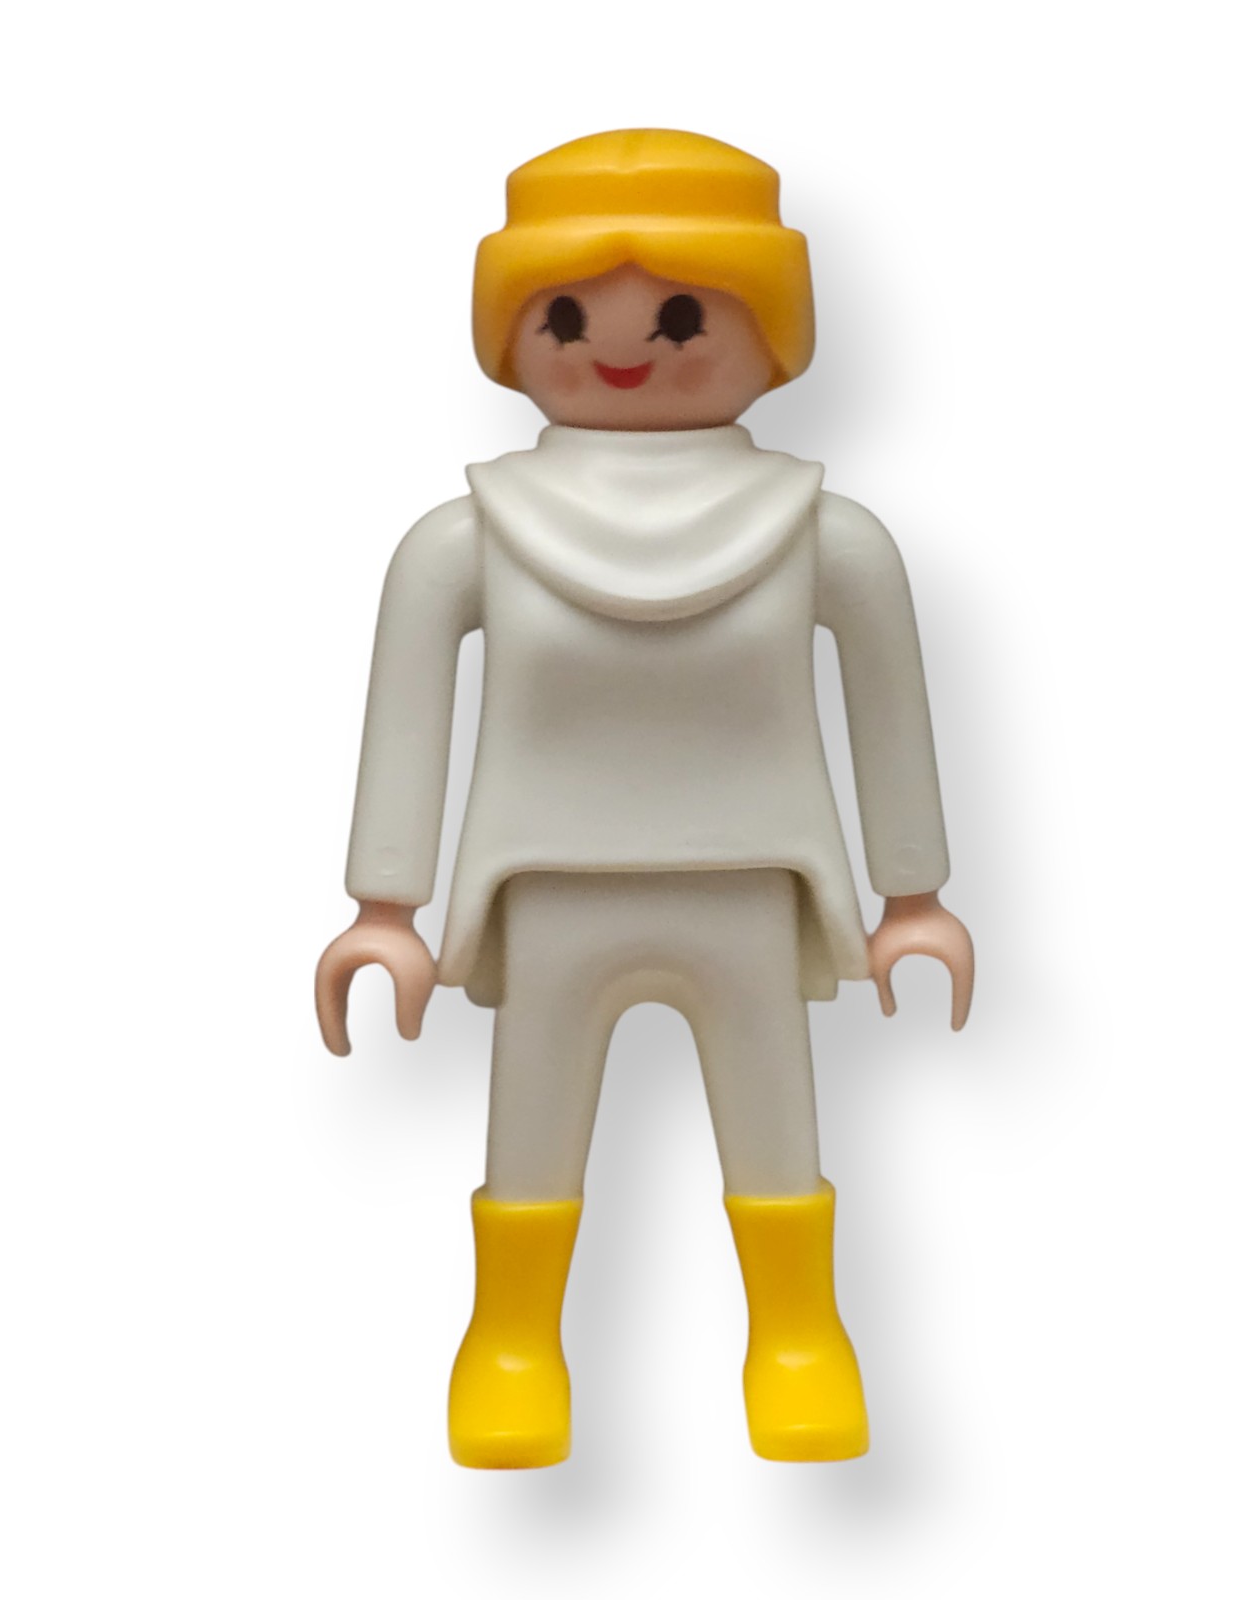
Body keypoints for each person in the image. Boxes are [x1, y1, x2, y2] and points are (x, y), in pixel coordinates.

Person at [315, 128, 974, 1468]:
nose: (625, 350)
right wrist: (384, 908)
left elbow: (889, 705)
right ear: (509, 335)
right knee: (533, 1124)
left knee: (775, 1122)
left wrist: (915, 893)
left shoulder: (823, 534)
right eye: (565, 316)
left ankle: (800, 1334)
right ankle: (511, 1340)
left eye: (682, 317)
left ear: (772, 332)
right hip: (550, 881)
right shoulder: (469, 538)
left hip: (750, 876)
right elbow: (408, 712)